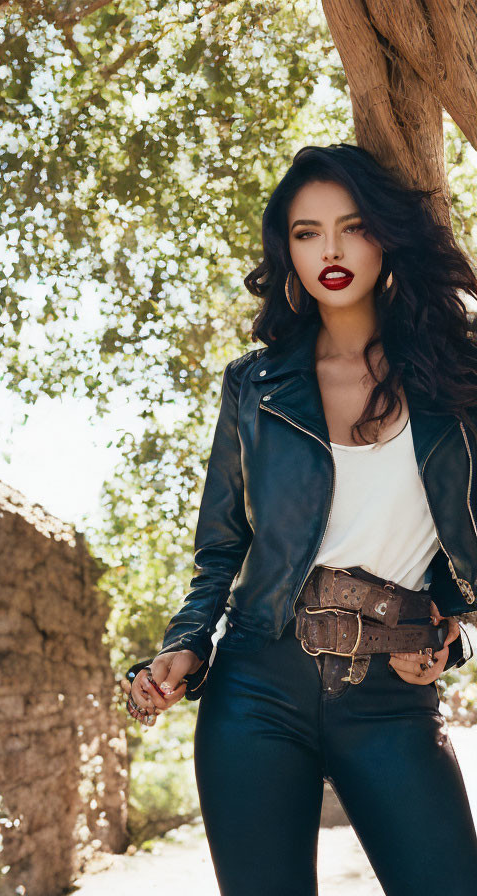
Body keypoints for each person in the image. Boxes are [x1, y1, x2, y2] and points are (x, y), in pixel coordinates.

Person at [119, 143, 477, 895]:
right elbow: (221, 549)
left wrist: (457, 637)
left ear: (387, 236)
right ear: (286, 249)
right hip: (256, 689)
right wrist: (184, 647)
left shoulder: (459, 379)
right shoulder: (254, 387)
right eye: (307, 232)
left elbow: (465, 556)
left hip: (391, 695)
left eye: (352, 227)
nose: (332, 250)